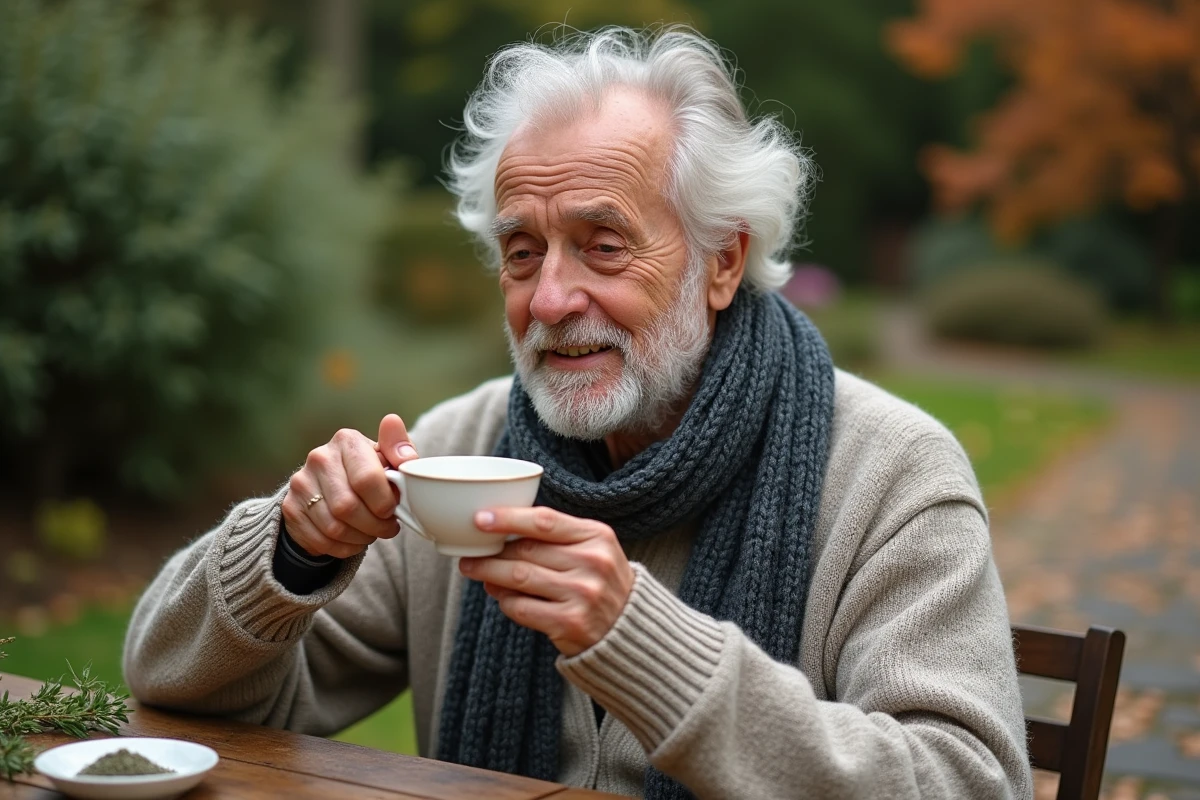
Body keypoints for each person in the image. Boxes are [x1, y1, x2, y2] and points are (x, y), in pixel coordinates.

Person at [123, 26, 1033, 800]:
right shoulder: (461, 455)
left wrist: (646, 647)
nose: (551, 299)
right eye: (523, 252)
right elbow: (175, 689)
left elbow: (969, 780)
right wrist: (291, 552)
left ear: (722, 261)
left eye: (603, 246)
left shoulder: (891, 473)